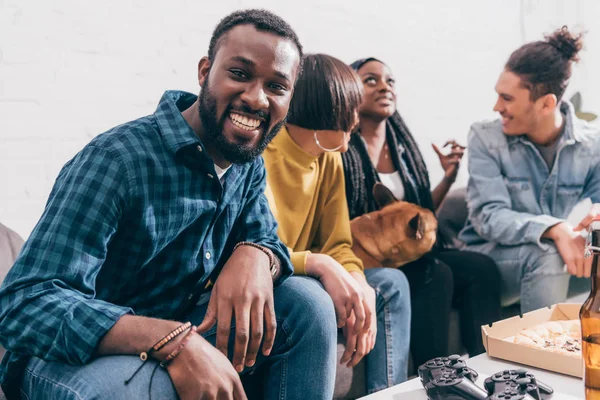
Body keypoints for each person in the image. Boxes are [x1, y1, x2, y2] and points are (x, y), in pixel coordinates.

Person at [0, 10, 340, 400]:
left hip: (175, 331)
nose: (256, 98)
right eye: (240, 74)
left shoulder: (246, 164)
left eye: (276, 86)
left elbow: (266, 238)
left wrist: (257, 253)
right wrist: (173, 340)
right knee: (139, 386)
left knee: (306, 303)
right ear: (204, 72)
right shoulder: (118, 161)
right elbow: (24, 304)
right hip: (65, 360)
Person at [263, 53, 411, 394]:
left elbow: (338, 242)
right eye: (351, 112)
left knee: (389, 283)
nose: (357, 121)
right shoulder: (263, 157)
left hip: (315, 272)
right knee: (309, 294)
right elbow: (258, 249)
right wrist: (320, 265)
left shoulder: (329, 160)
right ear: (325, 114)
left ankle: (389, 394)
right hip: (277, 279)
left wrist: (358, 282)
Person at [341, 57, 501, 366]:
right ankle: (440, 377)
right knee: (435, 274)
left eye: (390, 80)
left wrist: (448, 178)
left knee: (481, 268)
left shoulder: (401, 148)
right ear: (349, 90)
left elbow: (418, 218)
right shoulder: (343, 147)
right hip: (369, 257)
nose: (384, 86)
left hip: (408, 252)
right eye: (370, 80)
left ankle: (491, 369)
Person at [460, 27, 600, 313]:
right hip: (492, 256)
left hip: (549, 254)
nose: (497, 106)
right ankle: (540, 356)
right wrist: (554, 228)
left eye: (508, 98)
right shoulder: (486, 137)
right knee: (549, 254)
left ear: (547, 104)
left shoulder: (592, 144)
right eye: (499, 95)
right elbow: (489, 217)